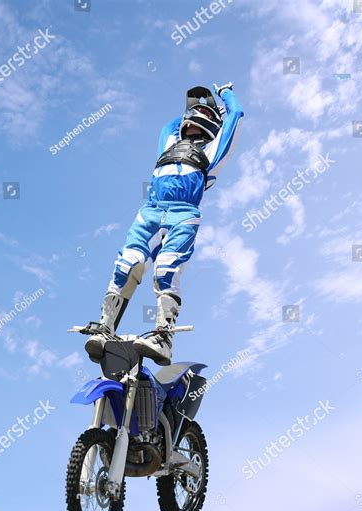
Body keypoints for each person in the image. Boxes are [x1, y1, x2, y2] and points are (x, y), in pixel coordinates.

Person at [85, 82, 244, 365]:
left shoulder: (213, 150)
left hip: (183, 213)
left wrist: (225, 95)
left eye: (204, 117)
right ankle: (106, 327)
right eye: (193, 116)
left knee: (167, 269)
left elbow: (236, 115)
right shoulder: (169, 141)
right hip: (150, 210)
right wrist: (192, 104)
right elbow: (170, 124)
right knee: (127, 264)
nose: (195, 120)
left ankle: (163, 337)